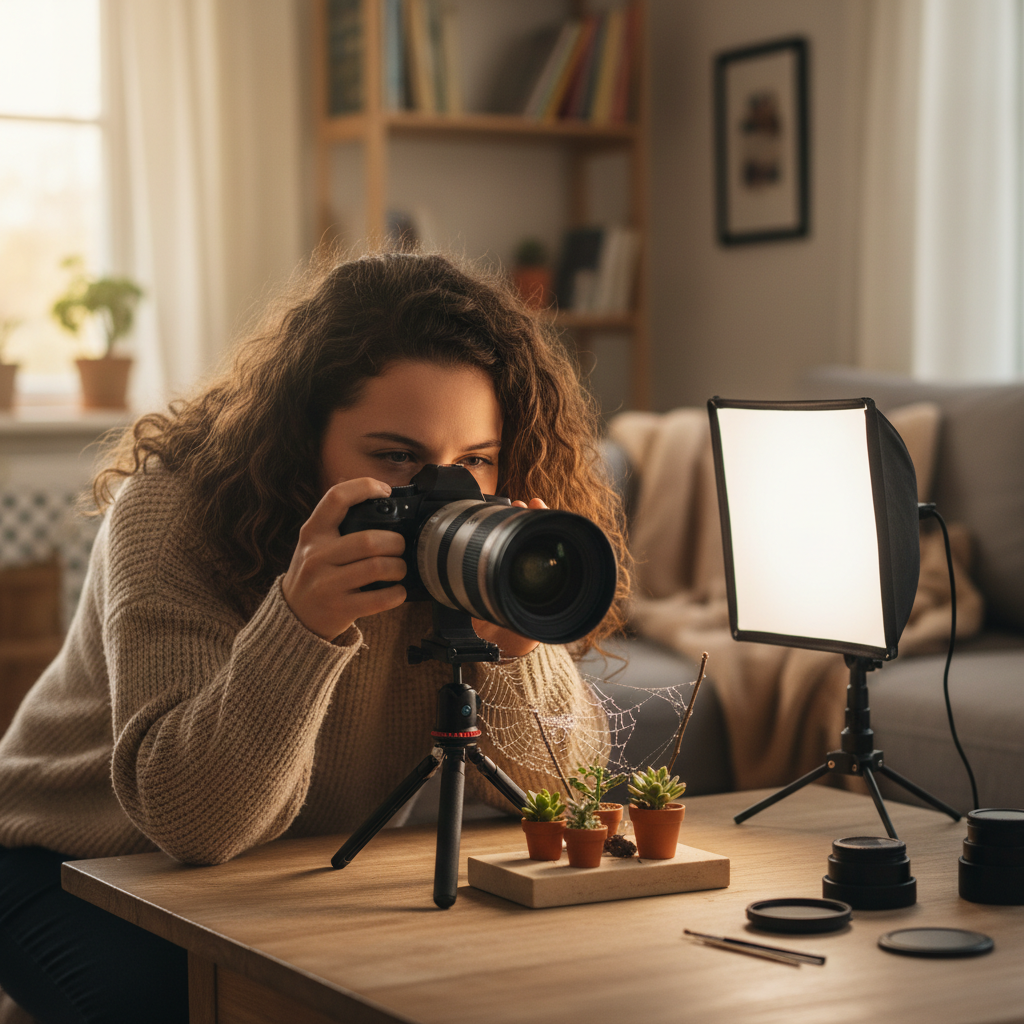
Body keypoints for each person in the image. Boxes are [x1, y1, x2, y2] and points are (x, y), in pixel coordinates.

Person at [0, 251, 630, 1023]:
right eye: (397, 458)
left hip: (279, 871)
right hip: (63, 853)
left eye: (474, 461)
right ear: (303, 436)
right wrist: (301, 622)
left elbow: (567, 795)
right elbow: (194, 823)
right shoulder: (171, 514)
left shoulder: (472, 546)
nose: (441, 493)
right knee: (184, 1007)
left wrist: (516, 648)